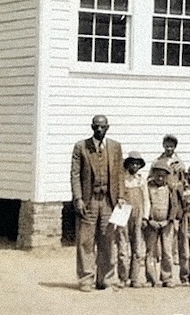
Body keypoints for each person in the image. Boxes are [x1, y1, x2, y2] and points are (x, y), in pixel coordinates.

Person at [70, 114, 125, 292]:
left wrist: (121, 197)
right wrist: (78, 198)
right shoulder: (81, 147)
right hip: (89, 200)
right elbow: (75, 175)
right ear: (91, 127)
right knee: (86, 240)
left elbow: (120, 174)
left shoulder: (115, 147)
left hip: (108, 201)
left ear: (108, 127)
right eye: (96, 126)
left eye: (102, 126)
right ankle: (86, 278)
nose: (99, 129)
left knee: (107, 239)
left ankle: (106, 279)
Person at [144, 158, 184, 287]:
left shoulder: (170, 188)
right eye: (157, 175)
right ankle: (151, 278)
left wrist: (169, 220)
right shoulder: (149, 187)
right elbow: (147, 203)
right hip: (152, 224)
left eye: (163, 175)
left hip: (167, 224)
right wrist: (150, 220)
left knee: (167, 252)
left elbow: (174, 205)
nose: (160, 178)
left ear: (167, 176)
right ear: (153, 174)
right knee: (150, 252)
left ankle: (167, 277)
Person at [117, 151, 149, 288]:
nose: (134, 166)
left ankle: (134, 277)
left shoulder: (141, 180)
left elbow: (146, 199)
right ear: (128, 164)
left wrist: (145, 217)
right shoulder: (122, 179)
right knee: (123, 247)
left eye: (137, 164)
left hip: (138, 213)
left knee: (138, 248)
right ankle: (122, 277)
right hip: (124, 212)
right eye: (132, 163)